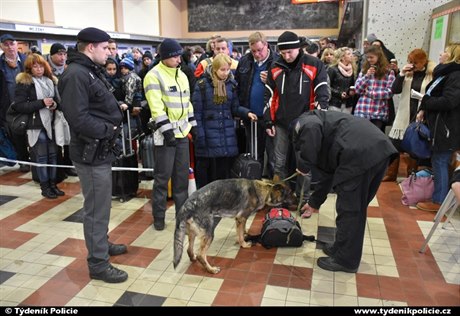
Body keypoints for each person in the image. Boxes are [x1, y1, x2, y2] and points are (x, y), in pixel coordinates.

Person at [58, 27, 128, 284]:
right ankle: (98, 263)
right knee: (96, 208)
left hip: (99, 150)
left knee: (102, 204)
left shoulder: (87, 71)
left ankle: (102, 243)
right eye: (105, 48)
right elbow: (77, 118)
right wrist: (107, 129)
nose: (109, 53)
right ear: (91, 48)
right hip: (91, 151)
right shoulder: (77, 75)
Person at [293, 110, 398, 273]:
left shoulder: (305, 123)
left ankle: (346, 260)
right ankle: (341, 249)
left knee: (350, 209)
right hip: (374, 151)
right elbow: (328, 174)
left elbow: (311, 129)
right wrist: (314, 202)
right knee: (353, 208)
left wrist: (304, 164)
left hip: (360, 154)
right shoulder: (323, 127)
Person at [264, 31, 329, 205]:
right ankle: (280, 198)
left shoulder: (314, 64)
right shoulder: (275, 66)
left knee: (304, 164)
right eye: (283, 53)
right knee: (279, 163)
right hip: (281, 123)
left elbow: (322, 92)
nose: (286, 56)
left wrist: (320, 116)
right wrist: (268, 121)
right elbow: (269, 96)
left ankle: (303, 199)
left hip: (306, 123)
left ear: (298, 49)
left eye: (290, 52)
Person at [143, 38, 197, 231]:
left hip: (182, 134)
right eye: (174, 56)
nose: (178, 59)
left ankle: (181, 219)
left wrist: (193, 126)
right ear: (164, 57)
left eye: (178, 55)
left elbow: (187, 103)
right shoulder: (153, 76)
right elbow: (156, 108)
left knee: (181, 180)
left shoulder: (182, 75)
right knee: (162, 179)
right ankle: (158, 217)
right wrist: (168, 132)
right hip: (165, 136)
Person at [193, 53, 257, 188]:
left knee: (224, 172)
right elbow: (196, 113)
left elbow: (234, 108)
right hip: (208, 135)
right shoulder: (202, 85)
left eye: (228, 69)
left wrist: (247, 113)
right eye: (222, 70)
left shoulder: (231, 85)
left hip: (226, 134)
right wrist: (200, 136)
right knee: (208, 174)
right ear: (215, 69)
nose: (226, 73)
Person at [12, 53, 64, 199]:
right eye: (34, 66)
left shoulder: (51, 81)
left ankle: (53, 184)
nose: (38, 69)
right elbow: (19, 106)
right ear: (29, 68)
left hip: (52, 123)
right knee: (41, 158)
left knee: (54, 156)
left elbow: (59, 102)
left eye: (41, 65)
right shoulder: (25, 83)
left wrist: (54, 104)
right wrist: (41, 103)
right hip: (36, 125)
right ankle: (45, 187)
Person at [415, 44, 460, 212]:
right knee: (438, 160)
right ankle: (438, 196)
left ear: (453, 57)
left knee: (440, 161)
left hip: (447, 127)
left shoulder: (455, 75)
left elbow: (449, 101)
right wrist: (424, 108)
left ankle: (439, 201)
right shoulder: (445, 74)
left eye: (445, 52)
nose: (441, 54)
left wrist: (425, 102)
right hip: (440, 125)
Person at [383, 49, 435, 182]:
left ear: (423, 61)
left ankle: (410, 176)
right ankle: (391, 174)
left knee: (415, 145)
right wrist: (400, 74)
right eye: (410, 61)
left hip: (421, 114)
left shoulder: (431, 75)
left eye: (415, 62)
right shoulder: (408, 74)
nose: (412, 64)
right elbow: (395, 90)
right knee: (394, 145)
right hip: (404, 114)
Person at [235, 31, 277, 179]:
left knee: (273, 156)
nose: (257, 54)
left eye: (260, 50)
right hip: (251, 116)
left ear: (266, 45)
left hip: (272, 117)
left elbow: (285, 89)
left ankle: (274, 191)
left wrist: (271, 81)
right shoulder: (245, 61)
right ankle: (254, 190)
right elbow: (238, 87)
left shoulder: (277, 61)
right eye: (253, 51)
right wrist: (241, 111)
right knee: (254, 156)